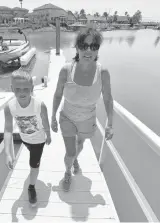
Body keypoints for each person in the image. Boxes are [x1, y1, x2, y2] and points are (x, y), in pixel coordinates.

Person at [51, 28, 114, 192]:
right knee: (70, 152)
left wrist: (110, 124)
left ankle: (74, 160)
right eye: (83, 45)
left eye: (93, 46)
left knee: (80, 143)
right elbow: (58, 94)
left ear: (98, 49)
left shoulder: (103, 73)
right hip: (68, 117)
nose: (88, 50)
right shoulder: (66, 70)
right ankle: (67, 172)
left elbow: (107, 98)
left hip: (88, 118)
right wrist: (52, 116)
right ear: (77, 47)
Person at [4, 70, 52, 206]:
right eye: (17, 89)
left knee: (33, 165)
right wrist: (7, 153)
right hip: (25, 139)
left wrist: (48, 134)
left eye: (26, 88)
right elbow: (8, 130)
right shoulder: (9, 107)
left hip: (38, 140)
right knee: (31, 153)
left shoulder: (39, 105)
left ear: (32, 88)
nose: (22, 92)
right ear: (12, 89)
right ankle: (33, 167)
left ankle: (31, 187)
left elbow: (45, 121)